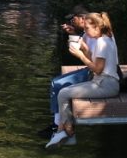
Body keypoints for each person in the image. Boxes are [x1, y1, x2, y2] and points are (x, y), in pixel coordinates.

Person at [46, 11, 120, 148]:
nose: (84, 31)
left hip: (107, 84)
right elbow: (95, 62)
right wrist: (85, 50)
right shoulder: (102, 39)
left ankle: (67, 133)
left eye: (87, 28)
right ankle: (65, 133)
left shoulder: (103, 42)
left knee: (63, 93)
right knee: (63, 92)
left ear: (97, 27)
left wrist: (80, 55)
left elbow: (97, 69)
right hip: (100, 82)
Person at [41, 8, 92, 137]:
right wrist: (73, 33)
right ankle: (58, 124)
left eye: (73, 19)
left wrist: (80, 51)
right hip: (91, 70)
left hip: (95, 74)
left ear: (82, 18)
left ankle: (60, 126)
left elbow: (88, 56)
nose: (71, 22)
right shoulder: (88, 32)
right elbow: (77, 48)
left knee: (57, 84)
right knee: (56, 82)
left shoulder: (93, 34)